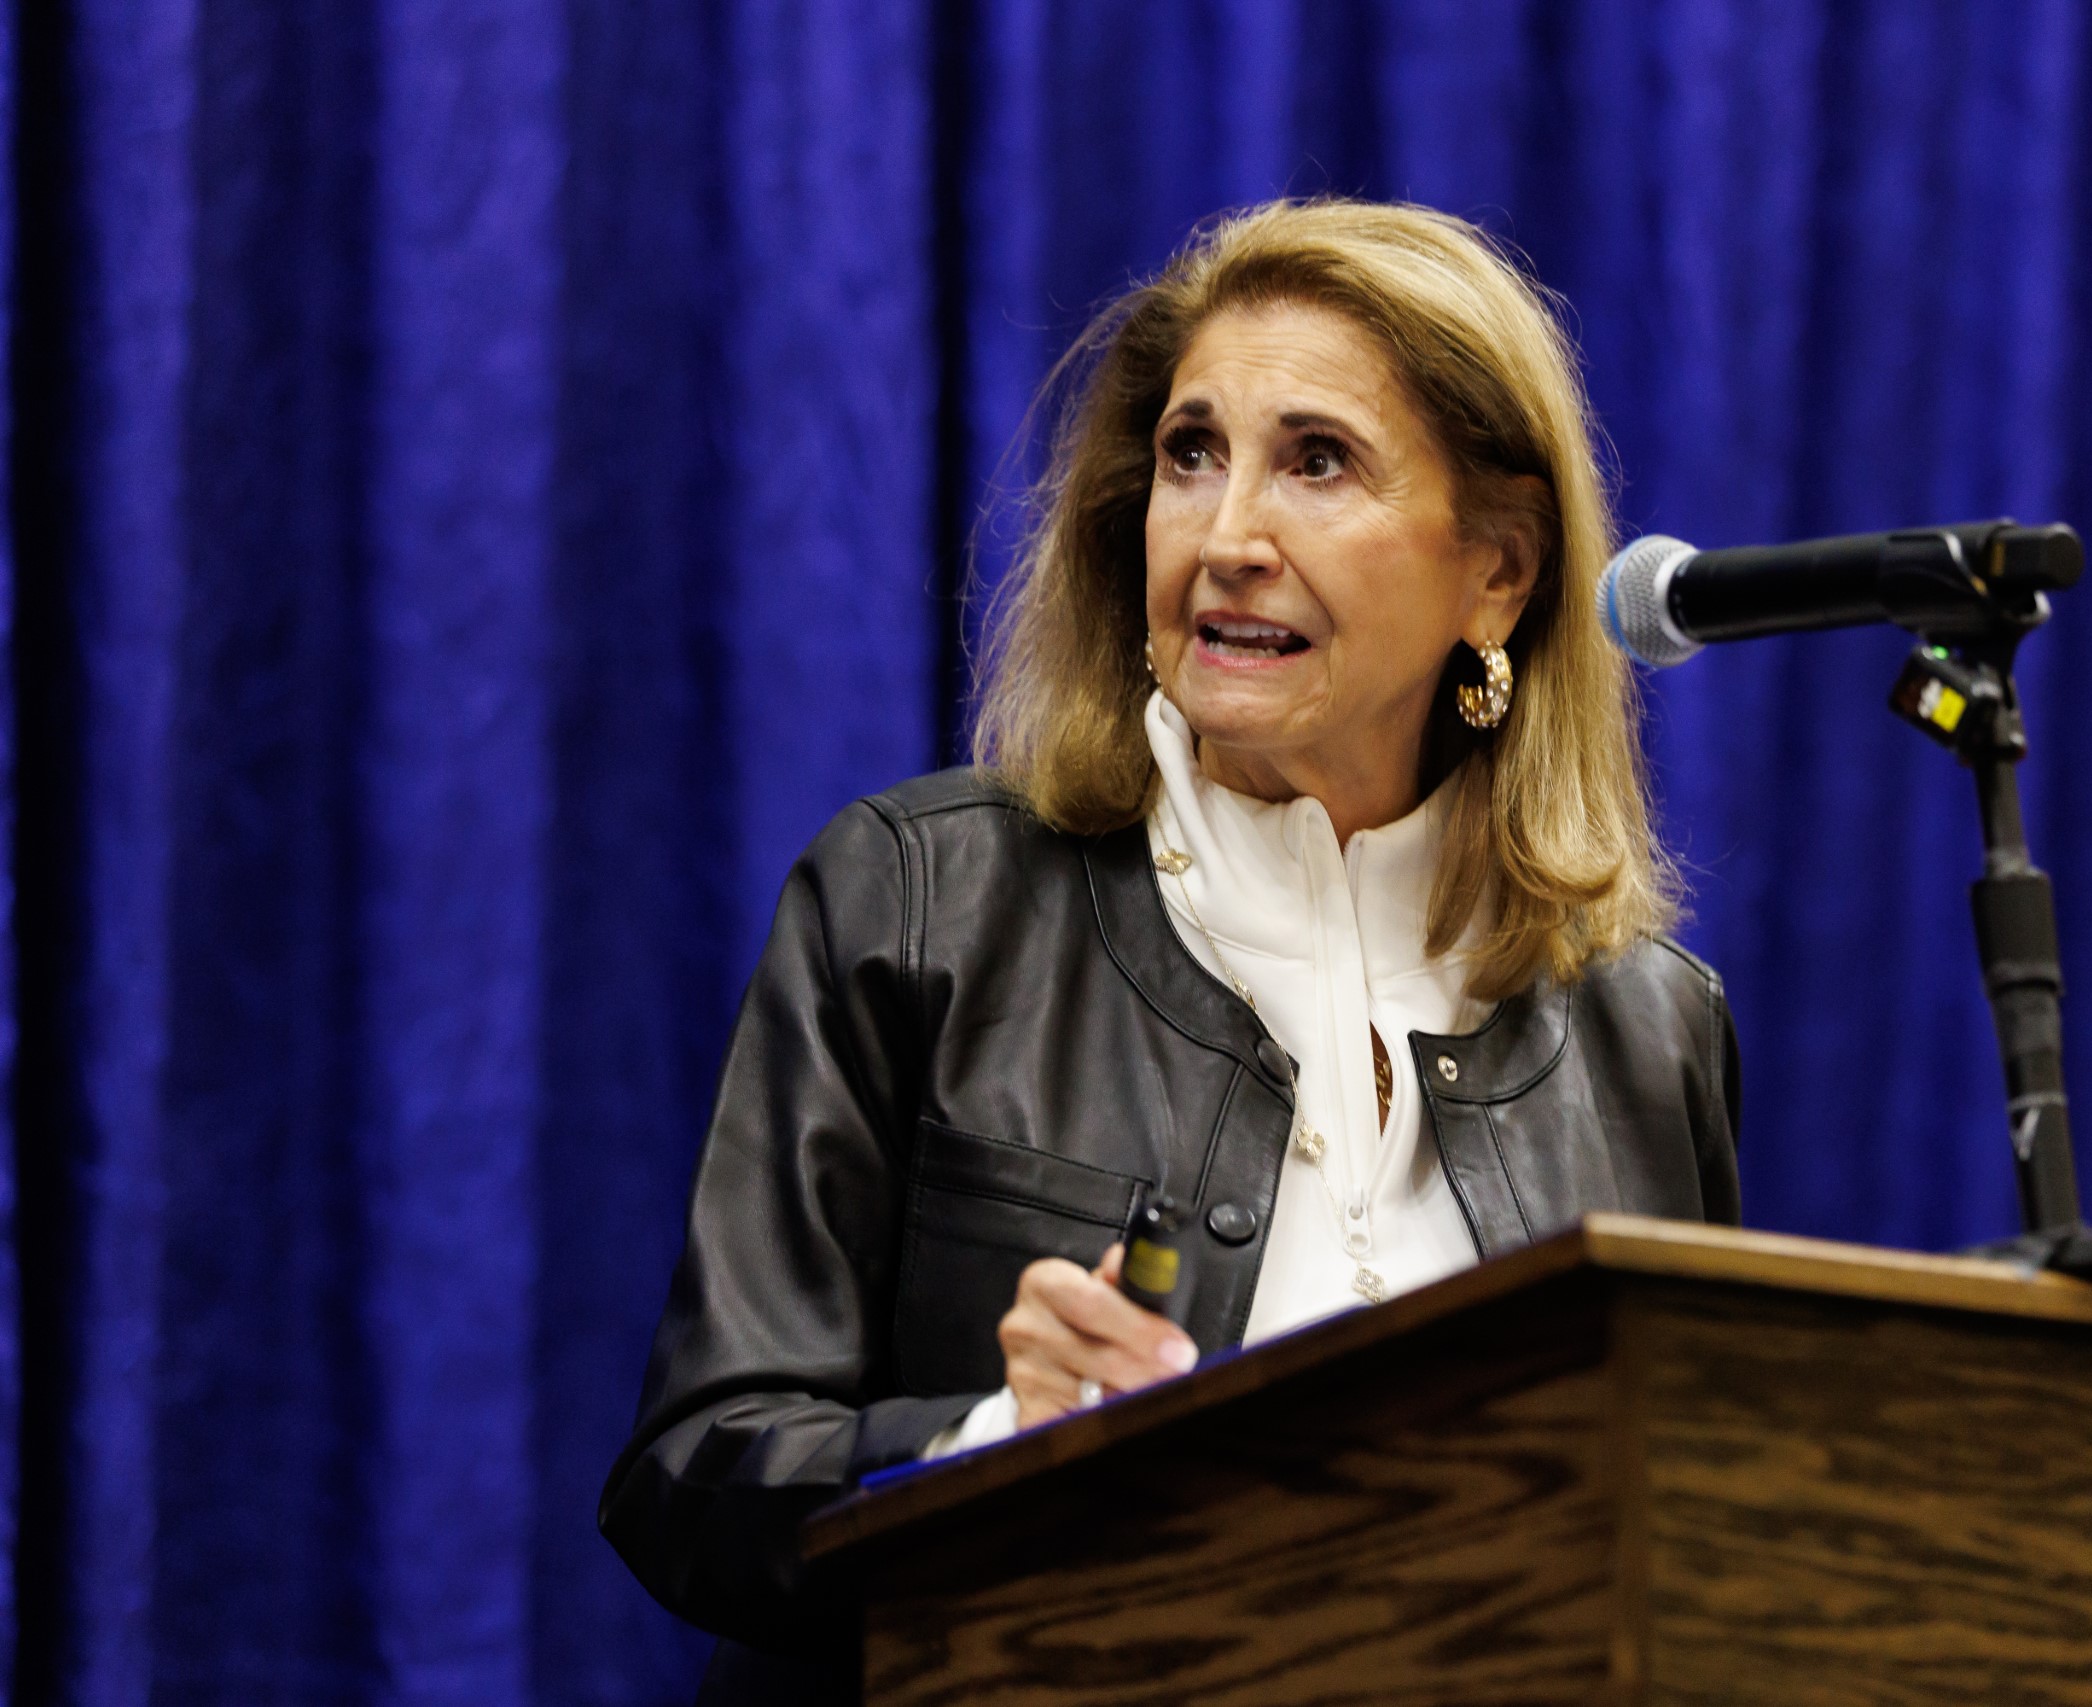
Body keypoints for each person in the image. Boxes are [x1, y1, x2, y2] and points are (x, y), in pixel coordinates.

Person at [600, 198, 1741, 1698]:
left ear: (1500, 574)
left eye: (1315, 462)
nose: (1225, 537)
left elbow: (1695, 1546)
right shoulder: (923, 906)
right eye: (1190, 456)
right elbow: (696, 1477)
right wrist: (999, 1440)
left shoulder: (1646, 1029)